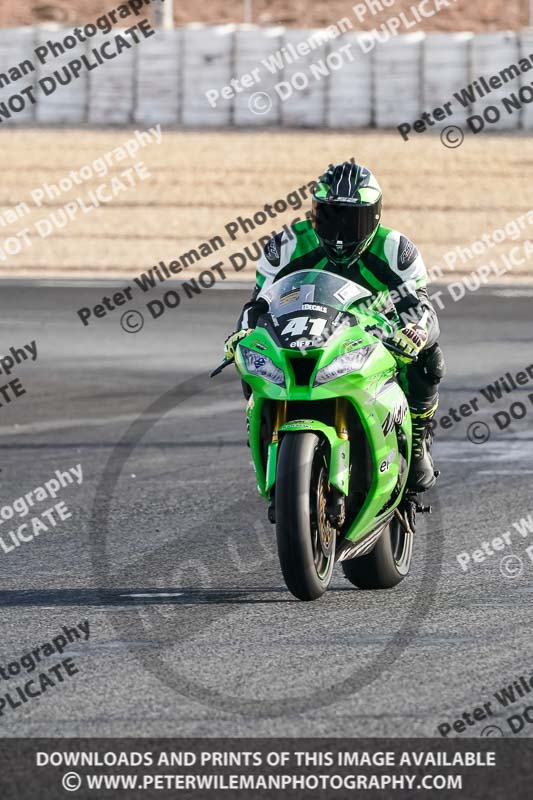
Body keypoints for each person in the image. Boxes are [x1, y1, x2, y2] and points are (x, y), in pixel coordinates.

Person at [223, 161, 445, 492]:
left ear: (375, 216)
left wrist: (416, 332)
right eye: (330, 217)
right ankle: (269, 429)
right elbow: (258, 304)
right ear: (315, 215)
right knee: (253, 353)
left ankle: (416, 436)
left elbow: (421, 307)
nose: (341, 234)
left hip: (372, 334)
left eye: (352, 221)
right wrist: (243, 331)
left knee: (430, 359)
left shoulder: (394, 249)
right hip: (304, 329)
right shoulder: (287, 246)